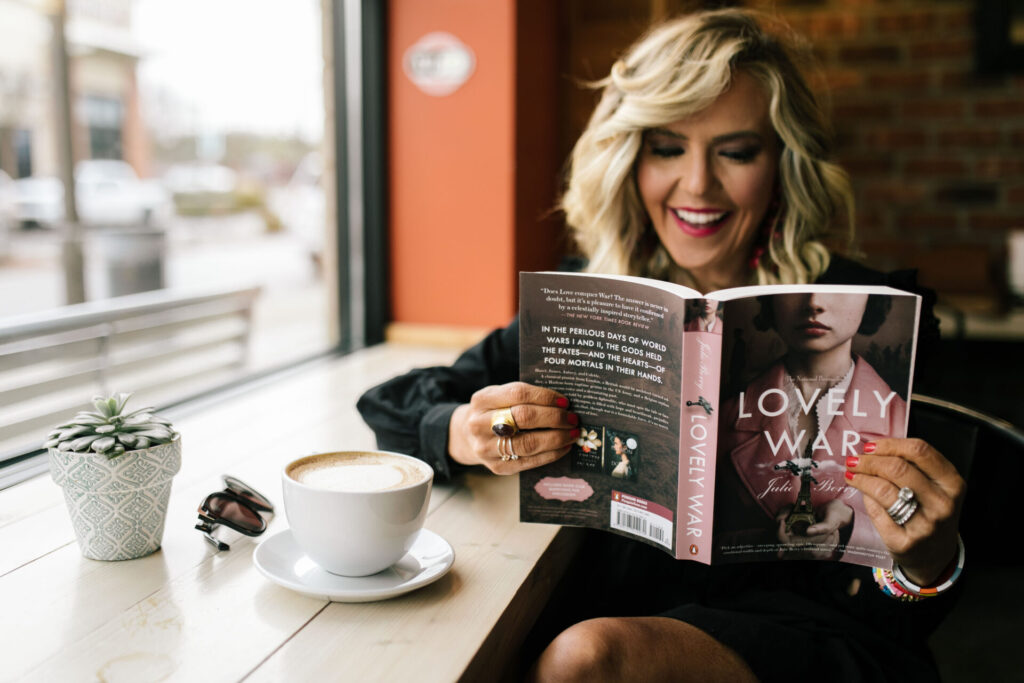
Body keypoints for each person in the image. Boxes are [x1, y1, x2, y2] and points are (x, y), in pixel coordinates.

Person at [358, 9, 964, 682]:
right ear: (630, 158)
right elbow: (394, 401)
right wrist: (468, 433)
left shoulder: (871, 312)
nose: (698, 184)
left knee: (585, 658)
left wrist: (925, 560)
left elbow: (914, 602)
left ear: (782, 164)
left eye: (736, 152)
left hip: (807, 635)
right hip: (622, 609)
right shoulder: (595, 302)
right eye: (668, 148)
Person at [716, 292, 905, 564]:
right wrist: (761, 542)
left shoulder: (903, 418)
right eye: (796, 288)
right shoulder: (723, 417)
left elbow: (918, 551)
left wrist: (851, 532)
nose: (814, 303)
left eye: (838, 288)